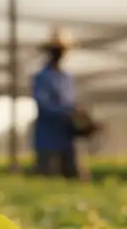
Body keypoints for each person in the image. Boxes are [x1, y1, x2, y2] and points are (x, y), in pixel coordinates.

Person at [30, 27, 92, 179]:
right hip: (47, 138)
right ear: (49, 52)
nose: (59, 54)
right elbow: (43, 105)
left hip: (67, 137)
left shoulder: (67, 78)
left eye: (62, 50)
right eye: (55, 50)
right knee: (49, 176)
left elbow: (70, 102)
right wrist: (67, 112)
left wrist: (80, 115)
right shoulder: (41, 77)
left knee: (75, 176)